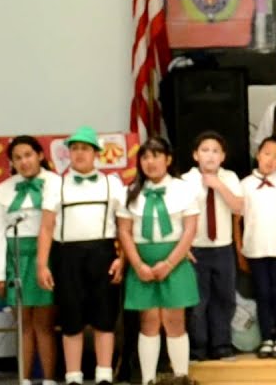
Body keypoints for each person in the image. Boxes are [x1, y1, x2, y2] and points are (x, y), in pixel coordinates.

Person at [37, 126, 125, 385]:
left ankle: (104, 374)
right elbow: (46, 227)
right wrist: (42, 264)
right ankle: (73, 376)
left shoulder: (112, 183)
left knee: (104, 317)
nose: (79, 153)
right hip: (67, 257)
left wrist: (123, 259)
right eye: (74, 149)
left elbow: (124, 227)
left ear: (96, 153)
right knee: (71, 318)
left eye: (84, 148)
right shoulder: (57, 184)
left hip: (103, 253)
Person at [117, 138, 200, 385]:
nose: (150, 162)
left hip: (174, 259)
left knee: (175, 320)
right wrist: (138, 265)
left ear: (168, 159)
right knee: (149, 320)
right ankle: (149, 379)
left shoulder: (183, 189)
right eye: (145, 157)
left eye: (156, 156)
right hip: (141, 260)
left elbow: (189, 231)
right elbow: (124, 232)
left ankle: (181, 377)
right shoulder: (129, 192)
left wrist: (169, 263)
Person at [0, 136, 61, 385]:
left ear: (40, 155)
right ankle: (23, 380)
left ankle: (48, 379)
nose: (24, 162)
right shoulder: (2, 190)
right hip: (14, 256)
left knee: (44, 324)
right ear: (11, 162)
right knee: (23, 323)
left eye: (28, 155)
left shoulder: (55, 182)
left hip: (43, 256)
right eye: (17, 157)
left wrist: (43, 262)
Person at [236, 137, 276, 359]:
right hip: (255, 249)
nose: (271, 159)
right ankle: (266, 339)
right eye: (267, 153)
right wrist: (239, 248)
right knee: (262, 294)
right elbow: (237, 220)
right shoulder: (245, 184)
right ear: (258, 155)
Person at [183, 132, 244, 363]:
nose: (210, 155)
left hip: (223, 249)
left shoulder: (229, 177)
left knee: (224, 298)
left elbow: (239, 208)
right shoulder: (185, 181)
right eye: (205, 150)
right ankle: (198, 350)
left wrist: (218, 185)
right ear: (195, 155)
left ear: (223, 156)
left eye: (215, 150)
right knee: (197, 302)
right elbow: (179, 217)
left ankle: (222, 346)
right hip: (195, 249)